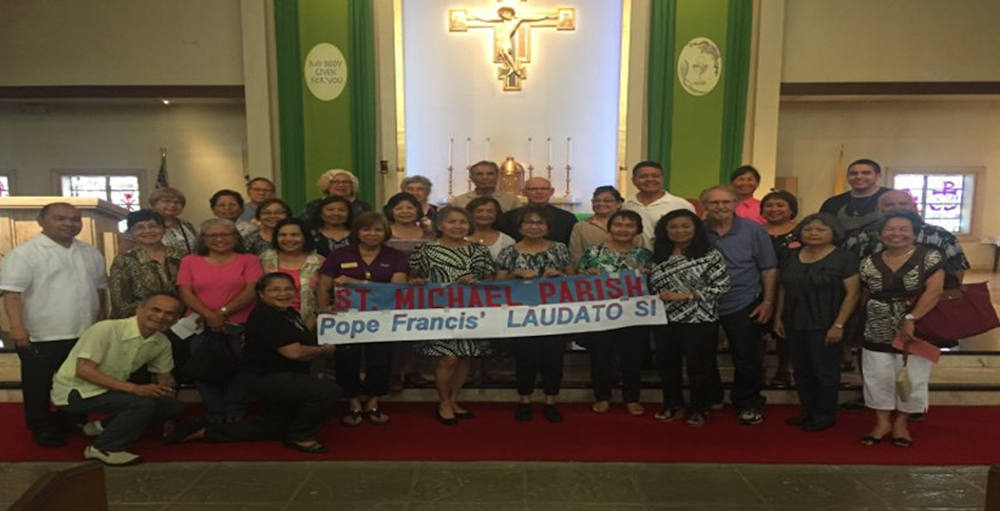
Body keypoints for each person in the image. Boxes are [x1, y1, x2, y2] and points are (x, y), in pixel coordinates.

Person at [166, 273, 341, 454]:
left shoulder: (288, 313)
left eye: (288, 289)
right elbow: (294, 352)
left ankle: (204, 432)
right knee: (327, 391)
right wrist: (323, 350)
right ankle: (301, 436)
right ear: (261, 294)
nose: (283, 293)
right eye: (275, 289)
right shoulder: (267, 316)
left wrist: (317, 313)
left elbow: (301, 330)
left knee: (271, 427)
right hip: (267, 378)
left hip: (283, 377)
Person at [1, 202, 108, 447]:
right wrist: (17, 328)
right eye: (60, 218)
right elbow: (13, 294)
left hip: (83, 331)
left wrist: (100, 322)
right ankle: (41, 426)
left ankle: (72, 420)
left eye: (75, 219)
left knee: (76, 380)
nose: (69, 224)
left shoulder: (90, 252)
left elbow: (100, 291)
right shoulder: (25, 253)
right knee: (38, 383)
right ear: (41, 221)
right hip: (41, 333)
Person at [51, 293, 185, 466]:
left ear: (176, 319)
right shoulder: (106, 329)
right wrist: (135, 389)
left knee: (173, 407)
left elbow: (164, 379)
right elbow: (83, 371)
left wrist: (168, 417)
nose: (160, 316)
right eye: (155, 309)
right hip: (76, 391)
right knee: (141, 404)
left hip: (111, 390)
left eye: (169, 313)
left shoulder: (162, 342)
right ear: (139, 309)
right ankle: (104, 448)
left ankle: (101, 427)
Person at [857, 211, 944, 447]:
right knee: (877, 375)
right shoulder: (868, 261)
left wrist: (911, 317)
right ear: (881, 233)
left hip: (916, 326)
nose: (896, 234)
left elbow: (935, 291)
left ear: (915, 233)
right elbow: (864, 293)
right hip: (876, 325)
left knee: (912, 376)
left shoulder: (929, 256)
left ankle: (901, 423)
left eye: (903, 229)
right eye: (890, 229)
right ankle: (882, 422)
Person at [408, 206, 496, 425]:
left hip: (472, 311)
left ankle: (454, 399)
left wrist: (478, 283)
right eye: (452, 222)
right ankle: (443, 401)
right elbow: (413, 276)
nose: (458, 226)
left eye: (462, 222)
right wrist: (418, 281)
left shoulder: (479, 250)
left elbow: (491, 280)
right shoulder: (425, 250)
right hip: (440, 312)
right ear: (440, 225)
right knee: (448, 358)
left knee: (465, 355)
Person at [317, 213, 408, 426]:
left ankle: (374, 401)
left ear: (385, 232)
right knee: (347, 358)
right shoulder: (340, 254)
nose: (372, 234)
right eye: (366, 229)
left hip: (382, 316)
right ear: (357, 232)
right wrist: (322, 308)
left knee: (380, 358)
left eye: (377, 230)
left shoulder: (395, 256)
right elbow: (324, 284)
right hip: (346, 317)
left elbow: (395, 288)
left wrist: (354, 282)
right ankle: (354, 402)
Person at [773, 213, 860, 432]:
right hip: (794, 321)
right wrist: (778, 317)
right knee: (801, 370)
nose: (813, 233)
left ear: (833, 233)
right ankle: (808, 410)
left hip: (826, 322)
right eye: (808, 229)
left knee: (824, 371)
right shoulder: (790, 255)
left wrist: (839, 325)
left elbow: (853, 294)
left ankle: (824, 414)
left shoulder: (844, 257)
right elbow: (783, 288)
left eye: (821, 229)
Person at [701, 185, 777, 425]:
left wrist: (767, 301)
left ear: (735, 203)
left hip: (744, 300)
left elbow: (769, 267)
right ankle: (711, 397)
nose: (720, 207)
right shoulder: (697, 231)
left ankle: (747, 402)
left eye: (725, 202)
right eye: (714, 203)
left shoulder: (754, 230)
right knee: (702, 355)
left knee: (746, 356)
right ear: (705, 206)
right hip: (702, 302)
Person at [647, 209, 731, 427]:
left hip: (699, 319)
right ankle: (672, 404)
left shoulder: (709, 255)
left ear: (696, 228)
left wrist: (686, 295)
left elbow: (722, 286)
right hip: (664, 319)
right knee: (667, 365)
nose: (679, 231)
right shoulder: (658, 255)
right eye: (673, 227)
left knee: (699, 367)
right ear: (665, 230)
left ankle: (700, 408)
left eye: (685, 226)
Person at [177, 219, 263, 423]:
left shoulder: (249, 260)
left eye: (225, 234)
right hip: (199, 324)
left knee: (241, 370)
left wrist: (221, 313)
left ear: (236, 237)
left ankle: (235, 411)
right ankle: (215, 411)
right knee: (203, 369)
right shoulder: (189, 260)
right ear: (203, 240)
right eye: (212, 235)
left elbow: (251, 291)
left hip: (240, 325)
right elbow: (185, 292)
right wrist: (208, 315)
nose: (219, 239)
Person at [496, 206, 574, 422]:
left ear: (548, 227)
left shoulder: (559, 249)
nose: (534, 227)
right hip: (521, 316)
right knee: (525, 358)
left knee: (554, 359)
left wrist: (560, 276)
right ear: (520, 227)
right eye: (528, 222)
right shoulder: (509, 251)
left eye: (539, 223)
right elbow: (497, 285)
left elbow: (575, 281)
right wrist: (514, 275)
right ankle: (525, 400)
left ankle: (550, 400)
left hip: (556, 314)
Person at [576, 209, 651, 415]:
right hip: (601, 314)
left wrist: (647, 276)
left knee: (633, 357)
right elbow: (579, 281)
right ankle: (602, 396)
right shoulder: (593, 252)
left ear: (637, 230)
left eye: (629, 226)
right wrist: (587, 275)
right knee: (601, 356)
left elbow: (653, 284)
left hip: (635, 315)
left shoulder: (644, 255)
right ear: (610, 228)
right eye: (618, 225)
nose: (623, 229)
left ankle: (631, 398)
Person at [845, 189, 969, 291]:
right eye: (889, 205)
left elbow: (957, 268)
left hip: (928, 303)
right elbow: (847, 272)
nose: (897, 208)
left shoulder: (940, 235)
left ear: (914, 207)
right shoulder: (860, 236)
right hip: (875, 303)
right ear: (878, 210)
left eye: (903, 204)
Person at [109, 210, 185, 319]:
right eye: (140, 228)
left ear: (164, 229)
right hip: (140, 323)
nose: (148, 231)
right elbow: (120, 303)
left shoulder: (182, 257)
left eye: (153, 226)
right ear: (131, 232)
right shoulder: (124, 261)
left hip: (180, 321)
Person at [760, 190, 801, 388]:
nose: (774, 209)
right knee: (757, 331)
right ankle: (757, 370)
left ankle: (784, 370)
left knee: (785, 331)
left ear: (791, 209)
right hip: (758, 287)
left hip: (792, 289)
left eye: (780, 205)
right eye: (769, 205)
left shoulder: (802, 232)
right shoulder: (755, 231)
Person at [258, 218, 324, 330]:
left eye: (295, 235)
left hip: (308, 324)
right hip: (268, 323)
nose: (288, 239)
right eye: (283, 235)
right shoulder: (265, 259)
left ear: (305, 237)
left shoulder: (319, 262)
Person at [623, 161, 695, 249]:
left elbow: (694, 235)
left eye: (655, 176)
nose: (650, 179)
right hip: (634, 258)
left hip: (669, 257)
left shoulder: (681, 204)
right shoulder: (626, 204)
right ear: (634, 180)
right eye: (643, 176)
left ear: (662, 179)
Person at [820, 158, 891, 239]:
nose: (859, 177)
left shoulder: (894, 198)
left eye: (866, 173)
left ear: (877, 176)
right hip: (842, 250)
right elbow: (822, 229)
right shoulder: (832, 202)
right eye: (853, 173)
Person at [499, 177, 577, 245]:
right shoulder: (509, 217)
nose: (539, 192)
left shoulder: (567, 218)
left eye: (544, 189)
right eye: (533, 189)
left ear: (551, 192)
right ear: (524, 192)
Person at [569, 186, 630, 268]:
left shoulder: (629, 225)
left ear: (619, 203)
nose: (601, 204)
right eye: (596, 201)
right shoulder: (581, 226)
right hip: (592, 276)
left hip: (626, 275)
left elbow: (638, 249)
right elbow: (575, 256)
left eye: (607, 201)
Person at [450, 160, 522, 212]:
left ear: (497, 176)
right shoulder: (459, 201)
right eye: (479, 174)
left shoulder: (512, 201)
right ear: (471, 178)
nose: (485, 177)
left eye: (490, 174)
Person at [304, 169, 372, 221]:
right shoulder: (315, 205)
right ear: (327, 185)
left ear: (353, 186)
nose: (341, 185)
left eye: (346, 182)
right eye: (335, 182)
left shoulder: (363, 207)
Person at [149, 187, 198, 254]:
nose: (172, 205)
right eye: (167, 201)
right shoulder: (147, 226)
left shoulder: (187, 225)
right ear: (154, 204)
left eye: (177, 202)